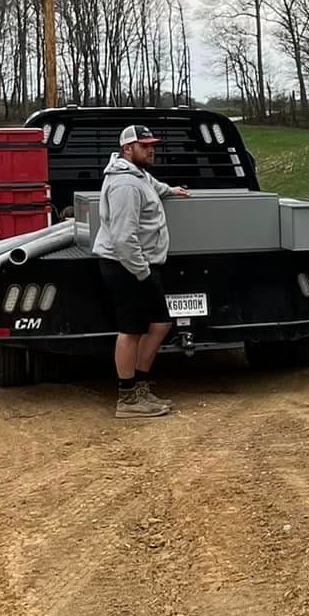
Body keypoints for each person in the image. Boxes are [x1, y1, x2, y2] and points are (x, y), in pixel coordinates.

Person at [93, 123, 190, 420]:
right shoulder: (125, 185)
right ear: (127, 149)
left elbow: (152, 186)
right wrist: (142, 272)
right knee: (131, 330)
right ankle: (128, 398)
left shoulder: (138, 176)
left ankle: (141, 386)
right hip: (127, 267)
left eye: (153, 145)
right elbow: (123, 238)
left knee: (160, 324)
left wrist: (170, 190)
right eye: (145, 145)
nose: (151, 149)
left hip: (140, 266)